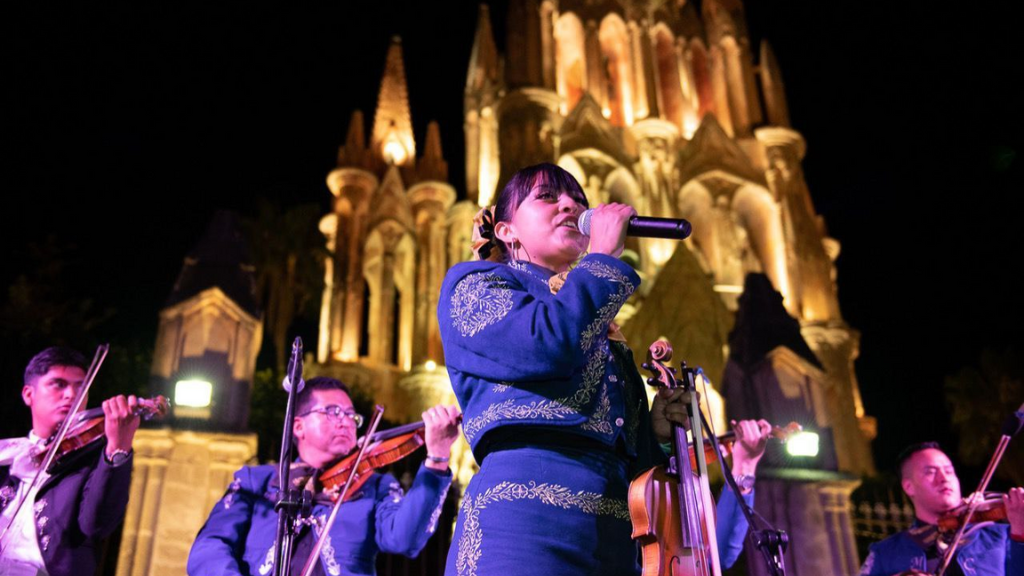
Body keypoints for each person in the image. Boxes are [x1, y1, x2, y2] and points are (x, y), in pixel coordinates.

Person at [437, 162, 773, 576]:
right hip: (520, 527)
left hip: (614, 540)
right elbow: (549, 346)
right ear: (507, 231)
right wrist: (600, 259)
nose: (569, 206)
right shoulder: (475, 284)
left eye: (578, 201)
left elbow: (627, 458)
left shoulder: (602, 326)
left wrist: (657, 434)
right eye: (546, 197)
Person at [187, 376, 460, 576]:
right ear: (298, 426)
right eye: (332, 412)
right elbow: (210, 545)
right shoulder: (256, 481)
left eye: (352, 417)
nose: (345, 420)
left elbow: (405, 539)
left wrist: (436, 458)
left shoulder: (376, 485)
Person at [0, 346, 141, 576]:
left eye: (81, 387)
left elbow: (98, 524)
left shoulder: (94, 461)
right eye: (59, 384)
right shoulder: (6, 456)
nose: (71, 395)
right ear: (29, 394)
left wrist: (118, 447)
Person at [859, 442, 1024, 576]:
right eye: (930, 472)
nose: (944, 478)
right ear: (909, 487)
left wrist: (1020, 534)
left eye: (949, 471)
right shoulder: (886, 552)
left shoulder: (1002, 535)